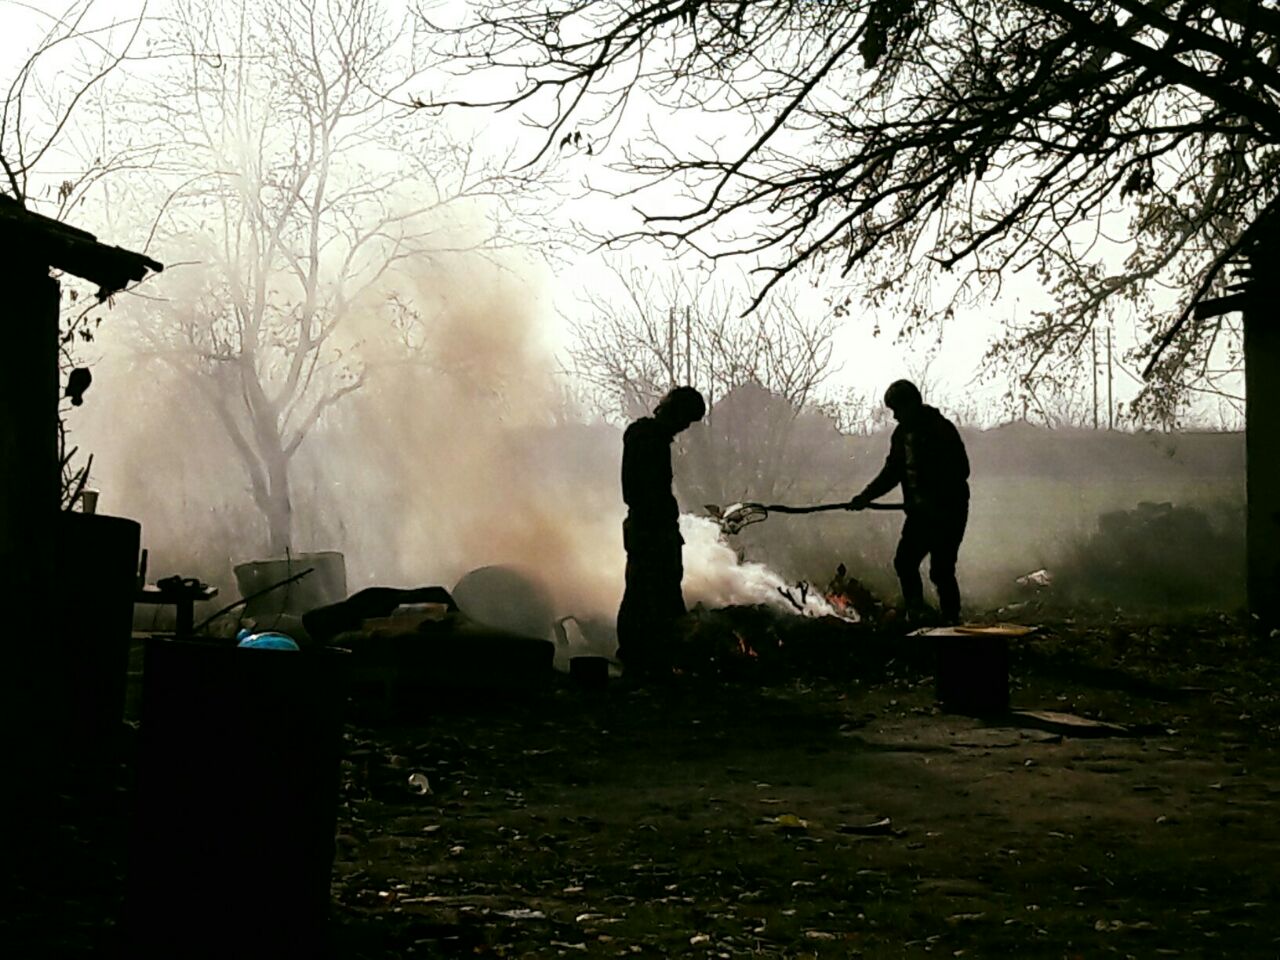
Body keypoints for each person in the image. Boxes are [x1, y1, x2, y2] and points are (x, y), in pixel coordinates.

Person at [848, 380, 969, 624]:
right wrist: (865, 497)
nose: (895, 417)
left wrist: (934, 499)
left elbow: (960, 470)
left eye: (898, 410)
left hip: (949, 513)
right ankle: (917, 613)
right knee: (905, 562)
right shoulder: (901, 435)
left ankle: (952, 621)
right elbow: (892, 473)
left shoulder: (941, 430)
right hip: (920, 515)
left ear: (912, 404)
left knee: (941, 570)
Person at [616, 386, 707, 678]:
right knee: (649, 592)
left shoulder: (646, 437)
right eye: (686, 419)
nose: (684, 427)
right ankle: (646, 657)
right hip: (650, 529)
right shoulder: (648, 438)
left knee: (647, 592)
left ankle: (648, 656)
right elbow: (643, 491)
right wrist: (662, 521)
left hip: (650, 528)